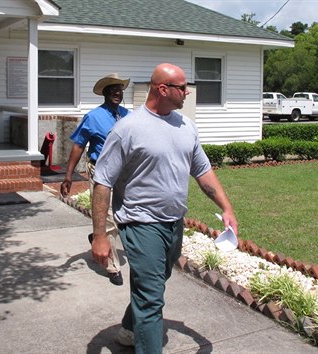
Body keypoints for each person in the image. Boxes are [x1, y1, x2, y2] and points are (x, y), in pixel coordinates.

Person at [91, 63, 239, 352]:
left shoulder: (185, 126)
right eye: (182, 87)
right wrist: (100, 235)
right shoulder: (128, 129)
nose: (187, 92)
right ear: (163, 89)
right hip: (140, 223)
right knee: (151, 299)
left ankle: (129, 329)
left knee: (156, 282)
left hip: (174, 223)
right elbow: (102, 182)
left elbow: (203, 172)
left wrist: (227, 208)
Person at [60, 73, 131, 286]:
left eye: (119, 89)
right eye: (112, 90)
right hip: (100, 171)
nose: (117, 93)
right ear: (105, 93)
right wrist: (68, 176)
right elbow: (78, 146)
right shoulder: (93, 117)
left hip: (124, 174)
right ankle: (112, 266)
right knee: (107, 217)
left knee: (123, 217)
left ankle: (97, 237)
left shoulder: (128, 115)